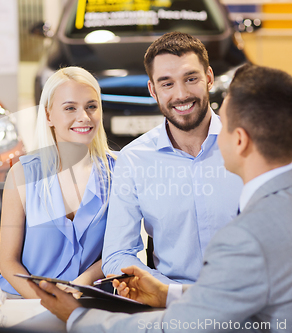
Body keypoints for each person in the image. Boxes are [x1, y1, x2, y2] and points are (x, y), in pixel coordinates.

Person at [29, 64, 292, 332]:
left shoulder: (244, 238)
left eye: (222, 126)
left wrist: (77, 316)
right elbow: (247, 295)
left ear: (239, 140)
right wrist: (168, 293)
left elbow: (177, 327)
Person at [102, 32, 242, 284]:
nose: (181, 94)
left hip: (245, 301)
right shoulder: (133, 160)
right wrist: (169, 292)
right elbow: (117, 254)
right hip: (173, 306)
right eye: (167, 83)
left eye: (191, 79)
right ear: (152, 90)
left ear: (209, 78)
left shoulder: (246, 145)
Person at [0, 66, 116, 298]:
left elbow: (119, 250)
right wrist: (47, 302)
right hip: (24, 301)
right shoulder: (22, 175)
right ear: (49, 115)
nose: (84, 116)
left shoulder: (118, 173)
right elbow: (8, 262)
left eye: (91, 106)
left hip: (89, 300)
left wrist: (81, 285)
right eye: (70, 108)